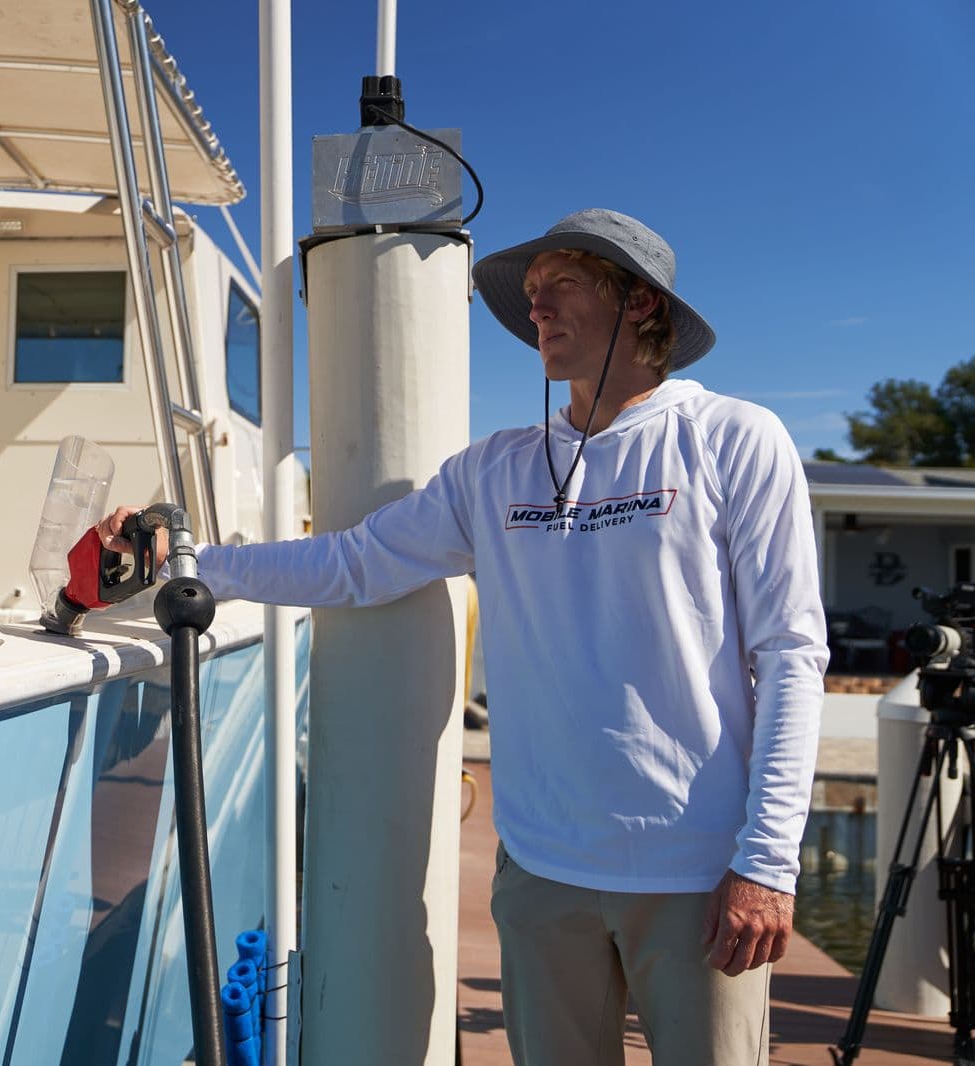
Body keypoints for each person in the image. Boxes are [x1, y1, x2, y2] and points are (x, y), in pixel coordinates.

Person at [99, 208, 828, 1065]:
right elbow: (354, 563)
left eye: (561, 288)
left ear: (638, 303)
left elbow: (790, 655)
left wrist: (768, 863)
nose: (537, 311)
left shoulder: (733, 438)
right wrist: (193, 564)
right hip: (541, 871)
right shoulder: (494, 468)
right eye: (529, 296)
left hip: (697, 872)